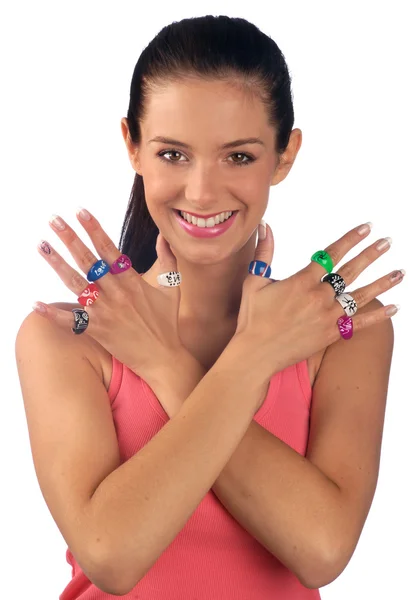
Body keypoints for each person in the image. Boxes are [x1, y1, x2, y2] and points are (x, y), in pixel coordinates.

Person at [15, 14, 404, 599]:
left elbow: (322, 549)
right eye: (173, 154)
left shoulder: (339, 331)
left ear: (285, 154)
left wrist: (171, 366)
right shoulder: (65, 338)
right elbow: (112, 556)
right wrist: (251, 361)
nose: (200, 191)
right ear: (133, 146)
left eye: (239, 157)